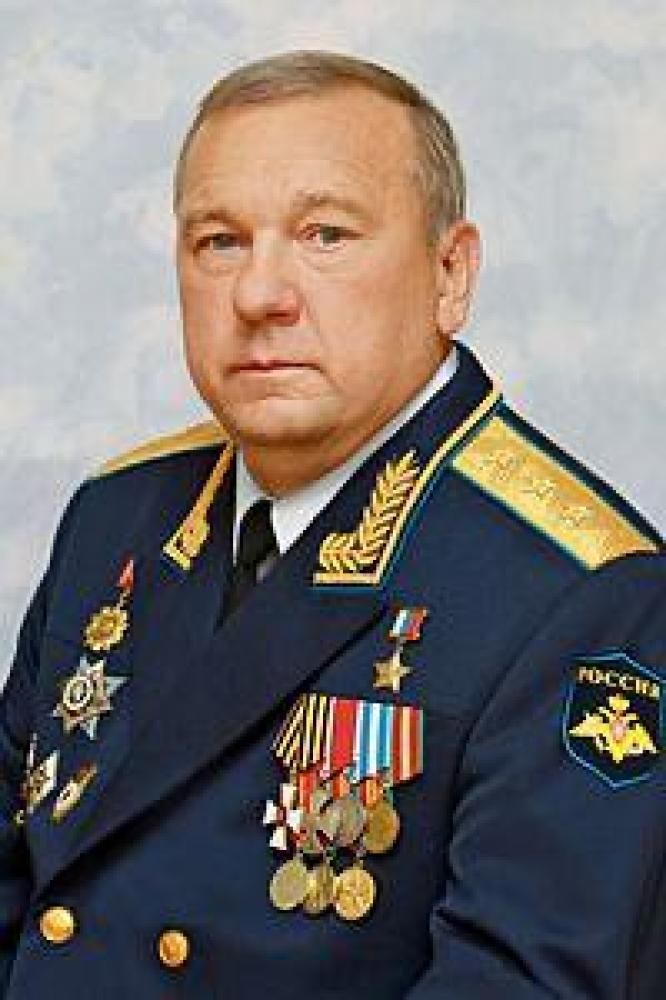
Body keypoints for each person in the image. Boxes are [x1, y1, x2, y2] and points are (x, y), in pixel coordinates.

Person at [0, 50, 663, 999]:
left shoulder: (586, 595)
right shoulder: (117, 515)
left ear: (450, 273)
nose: (259, 294)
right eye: (219, 241)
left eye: (326, 235)